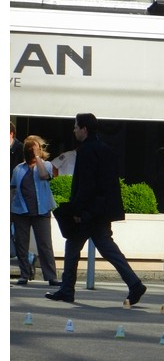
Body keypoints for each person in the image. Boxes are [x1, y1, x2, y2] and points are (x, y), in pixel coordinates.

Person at [45, 113, 147, 305]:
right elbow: (106, 184)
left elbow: (86, 185)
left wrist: (77, 211)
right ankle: (134, 284)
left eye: (76, 126)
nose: (74, 129)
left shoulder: (86, 150)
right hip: (101, 211)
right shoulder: (106, 149)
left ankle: (67, 290)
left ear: (84, 129)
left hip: (87, 213)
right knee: (108, 249)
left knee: (74, 247)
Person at [10, 135, 60, 286]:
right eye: (30, 150)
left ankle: (51, 276)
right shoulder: (18, 169)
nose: (32, 153)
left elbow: (44, 175)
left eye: (34, 150)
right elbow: (12, 190)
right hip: (21, 211)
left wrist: (38, 158)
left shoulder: (46, 165)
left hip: (41, 210)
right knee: (21, 244)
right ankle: (24, 274)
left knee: (45, 244)